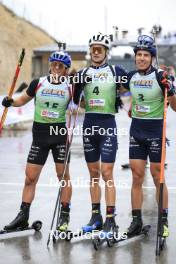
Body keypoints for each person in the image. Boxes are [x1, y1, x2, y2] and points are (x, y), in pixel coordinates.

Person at [2, 50, 73, 232]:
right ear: (50, 65)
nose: (56, 68)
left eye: (61, 66)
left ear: (66, 69)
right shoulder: (38, 83)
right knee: (30, 178)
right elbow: (22, 100)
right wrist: (10, 102)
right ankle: (23, 216)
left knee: (63, 177)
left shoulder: (71, 86)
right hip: (40, 136)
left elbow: (84, 102)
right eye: (54, 64)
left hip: (59, 136)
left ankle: (64, 218)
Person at [73, 33, 127, 235]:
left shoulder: (116, 70)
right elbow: (73, 100)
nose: (96, 52)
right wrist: (77, 85)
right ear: (90, 51)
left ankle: (111, 219)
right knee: (93, 174)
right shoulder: (82, 72)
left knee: (106, 173)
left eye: (100, 49)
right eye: (93, 49)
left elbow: (135, 84)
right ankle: (96, 216)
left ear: (106, 52)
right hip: (89, 125)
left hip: (107, 125)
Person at [123, 35, 176, 238]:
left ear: (151, 57)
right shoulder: (130, 77)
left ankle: (163, 219)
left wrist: (170, 91)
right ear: (135, 57)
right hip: (136, 132)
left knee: (157, 176)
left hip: (155, 132)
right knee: (136, 176)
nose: (142, 58)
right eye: (139, 55)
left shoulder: (161, 76)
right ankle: (136, 221)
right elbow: (122, 94)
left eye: (146, 55)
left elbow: (175, 107)